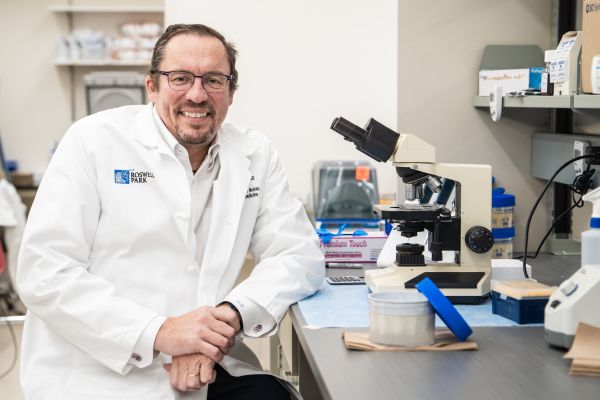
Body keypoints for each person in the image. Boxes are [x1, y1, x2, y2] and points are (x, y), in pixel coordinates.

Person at [16, 23, 325, 399]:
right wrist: (161, 333)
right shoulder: (93, 141)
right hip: (97, 372)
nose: (197, 94)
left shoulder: (254, 153)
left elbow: (298, 252)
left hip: (204, 367)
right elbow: (45, 272)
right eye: (180, 78)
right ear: (152, 85)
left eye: (213, 80)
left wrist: (229, 315)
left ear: (231, 91)